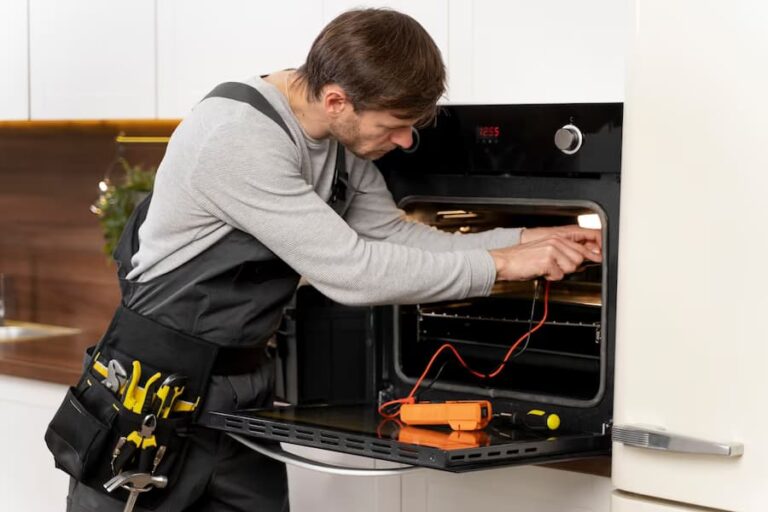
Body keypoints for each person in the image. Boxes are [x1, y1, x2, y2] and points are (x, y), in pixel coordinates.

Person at [66, 8, 601, 512]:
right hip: (151, 401)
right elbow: (354, 271)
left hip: (243, 395)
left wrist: (529, 238)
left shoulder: (342, 144)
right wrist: (502, 267)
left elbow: (396, 238)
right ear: (338, 101)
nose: (405, 139)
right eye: (394, 124)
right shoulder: (238, 138)